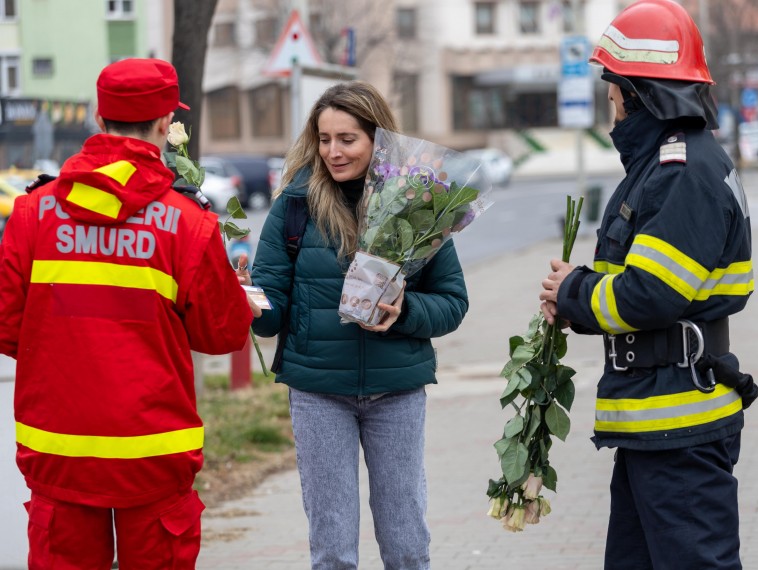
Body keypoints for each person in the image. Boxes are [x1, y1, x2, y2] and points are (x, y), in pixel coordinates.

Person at [0, 58, 257, 568]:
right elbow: (223, 333)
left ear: (99, 120)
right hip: (153, 454)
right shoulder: (187, 222)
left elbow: (10, 329)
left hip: (59, 452)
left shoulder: (32, 213)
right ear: (165, 124)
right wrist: (233, 292)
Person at [539, 1, 757, 568]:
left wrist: (572, 293)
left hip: (678, 425)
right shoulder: (663, 166)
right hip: (655, 421)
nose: (611, 114)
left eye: (613, 98)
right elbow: (633, 285)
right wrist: (578, 301)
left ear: (640, 95)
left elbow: (650, 294)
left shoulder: (682, 173)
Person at [239, 81, 468, 569]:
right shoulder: (294, 206)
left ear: (377, 139)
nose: (333, 152)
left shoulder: (417, 203)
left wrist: (403, 313)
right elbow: (271, 315)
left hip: (396, 392)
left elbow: (452, 303)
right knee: (333, 549)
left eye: (347, 139)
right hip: (318, 392)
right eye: (324, 139)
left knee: (407, 543)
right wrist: (250, 301)